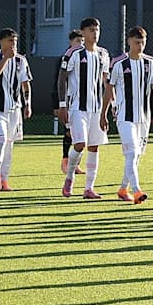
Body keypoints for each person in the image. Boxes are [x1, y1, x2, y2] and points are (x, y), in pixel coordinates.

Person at [100, 26, 153, 204]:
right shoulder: (118, 63)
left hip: (143, 118)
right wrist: (104, 114)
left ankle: (123, 188)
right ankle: (137, 191)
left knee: (136, 156)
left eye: (143, 43)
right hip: (125, 116)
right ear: (129, 41)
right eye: (137, 42)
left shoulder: (150, 63)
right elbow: (109, 88)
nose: (140, 46)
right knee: (131, 153)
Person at [58, 17, 111, 199]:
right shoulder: (73, 53)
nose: (95, 33)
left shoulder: (103, 54)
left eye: (97, 29)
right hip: (77, 107)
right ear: (83, 32)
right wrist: (62, 105)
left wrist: (108, 108)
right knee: (79, 144)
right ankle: (69, 177)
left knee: (94, 147)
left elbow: (107, 83)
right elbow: (62, 78)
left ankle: (89, 188)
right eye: (90, 30)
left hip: (96, 108)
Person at [0, 28, 33, 190]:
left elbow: (25, 84)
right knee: (1, 140)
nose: (13, 44)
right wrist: (6, 58)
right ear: (1, 42)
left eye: (15, 41)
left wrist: (28, 104)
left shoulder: (21, 60)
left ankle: (5, 180)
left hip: (14, 108)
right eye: (10, 41)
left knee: (9, 144)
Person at [54, 29, 84, 175]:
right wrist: (58, 104)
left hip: (85, 104)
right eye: (78, 41)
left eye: (82, 41)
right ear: (71, 42)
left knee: (82, 135)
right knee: (69, 132)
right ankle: (65, 160)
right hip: (69, 103)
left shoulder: (87, 57)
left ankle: (76, 164)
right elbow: (59, 81)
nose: (81, 44)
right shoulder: (66, 58)